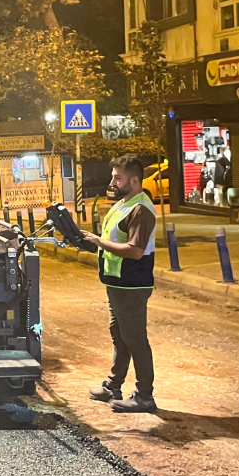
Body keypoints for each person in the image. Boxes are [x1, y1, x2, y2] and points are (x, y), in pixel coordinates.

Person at [83, 154, 159, 414]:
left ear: (135, 180)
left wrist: (99, 243)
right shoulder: (125, 203)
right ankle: (113, 385)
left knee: (135, 339)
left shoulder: (141, 209)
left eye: (118, 177)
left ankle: (144, 396)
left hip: (132, 284)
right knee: (120, 336)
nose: (112, 182)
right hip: (118, 282)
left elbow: (136, 250)